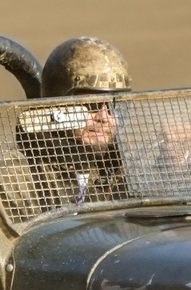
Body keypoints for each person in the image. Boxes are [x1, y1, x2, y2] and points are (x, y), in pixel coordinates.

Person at [17, 38, 132, 211]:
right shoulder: (20, 173)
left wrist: (174, 158)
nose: (104, 117)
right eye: (92, 106)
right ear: (58, 108)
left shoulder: (122, 169)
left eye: (114, 107)